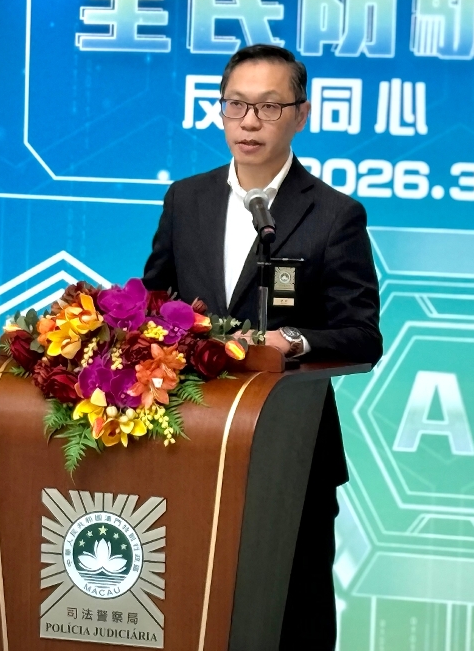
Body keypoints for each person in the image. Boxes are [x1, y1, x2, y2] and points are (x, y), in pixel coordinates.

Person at [142, 43, 382, 649]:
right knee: (194, 609)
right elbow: (152, 307)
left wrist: (290, 340)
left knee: (292, 618)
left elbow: (363, 334)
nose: (250, 122)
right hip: (191, 440)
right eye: (237, 105)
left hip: (291, 451)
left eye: (269, 107)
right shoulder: (186, 200)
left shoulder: (333, 216)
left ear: (301, 114)